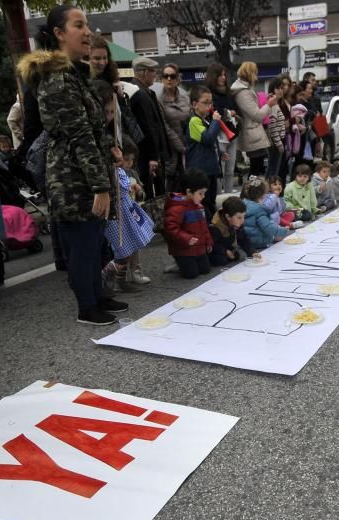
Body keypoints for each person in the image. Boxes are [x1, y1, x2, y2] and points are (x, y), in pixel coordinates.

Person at [17, 6, 127, 326]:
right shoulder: (58, 79)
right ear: (60, 34)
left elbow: (93, 129)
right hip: (72, 178)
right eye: (79, 25)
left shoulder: (73, 74)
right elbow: (78, 136)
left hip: (82, 173)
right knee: (82, 243)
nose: (87, 31)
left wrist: (110, 149)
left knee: (94, 240)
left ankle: (98, 295)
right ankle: (87, 306)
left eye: (87, 24)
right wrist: (100, 186)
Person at [102, 137, 154, 293]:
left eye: (131, 159)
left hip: (126, 212)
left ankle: (120, 280)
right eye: (126, 159)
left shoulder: (123, 172)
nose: (129, 162)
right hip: (116, 215)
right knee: (122, 249)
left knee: (129, 247)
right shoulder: (112, 172)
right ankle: (106, 274)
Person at [129, 56, 171, 199]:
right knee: (153, 195)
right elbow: (148, 126)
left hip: (152, 154)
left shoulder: (146, 92)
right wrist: (153, 156)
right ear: (145, 72)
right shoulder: (139, 94)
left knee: (159, 193)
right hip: (147, 156)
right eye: (153, 71)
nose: (155, 75)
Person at [164, 170, 213, 278]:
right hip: (183, 250)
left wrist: (208, 242)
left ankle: (185, 264)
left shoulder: (199, 206)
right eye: (200, 193)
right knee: (191, 275)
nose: (203, 196)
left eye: (204, 193)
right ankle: (179, 264)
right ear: (189, 192)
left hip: (198, 248)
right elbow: (170, 229)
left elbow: (204, 227)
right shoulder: (177, 208)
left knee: (205, 270)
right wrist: (187, 238)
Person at [231, 61, 277, 177]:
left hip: (253, 133)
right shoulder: (243, 93)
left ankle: (255, 192)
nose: (257, 76)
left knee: (258, 168)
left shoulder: (245, 89)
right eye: (255, 73)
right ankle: (252, 193)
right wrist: (269, 104)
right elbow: (257, 115)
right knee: (256, 169)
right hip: (252, 134)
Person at [184, 84, 222, 219]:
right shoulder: (194, 121)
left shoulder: (204, 120)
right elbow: (208, 138)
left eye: (210, 102)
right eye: (205, 103)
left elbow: (210, 143)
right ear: (194, 104)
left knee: (211, 200)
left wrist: (221, 153)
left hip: (209, 168)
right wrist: (216, 122)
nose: (209, 106)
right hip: (201, 170)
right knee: (204, 202)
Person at [154, 62, 189, 192]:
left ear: (177, 78)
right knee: (172, 185)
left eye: (172, 76)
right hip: (170, 148)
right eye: (165, 76)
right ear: (161, 78)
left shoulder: (185, 96)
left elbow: (191, 116)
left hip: (188, 142)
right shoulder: (158, 99)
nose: (169, 79)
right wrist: (180, 146)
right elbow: (164, 126)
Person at [206, 62, 240, 193]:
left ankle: (229, 195)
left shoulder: (228, 92)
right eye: (220, 75)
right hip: (219, 135)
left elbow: (235, 109)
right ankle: (219, 196)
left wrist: (229, 112)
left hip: (232, 134)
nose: (223, 77)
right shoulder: (210, 93)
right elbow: (217, 112)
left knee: (230, 170)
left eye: (224, 75)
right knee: (221, 169)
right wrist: (228, 113)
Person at [242, 178, 289, 250]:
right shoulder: (258, 210)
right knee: (280, 240)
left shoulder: (245, 204)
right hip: (259, 241)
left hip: (246, 241)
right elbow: (269, 227)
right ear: (262, 195)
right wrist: (284, 230)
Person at [209, 196, 255, 265]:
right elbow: (213, 245)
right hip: (215, 250)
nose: (242, 220)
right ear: (228, 217)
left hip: (228, 246)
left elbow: (244, 239)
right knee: (221, 259)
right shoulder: (215, 227)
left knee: (236, 255)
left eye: (243, 216)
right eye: (239, 217)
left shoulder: (236, 224)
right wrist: (225, 251)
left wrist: (253, 253)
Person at [265, 77, 289, 178]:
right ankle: (269, 192)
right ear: (272, 90)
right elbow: (272, 127)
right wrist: (279, 144)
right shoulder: (273, 104)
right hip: (275, 144)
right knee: (273, 172)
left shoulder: (276, 103)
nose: (281, 90)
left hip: (277, 142)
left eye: (282, 88)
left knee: (272, 170)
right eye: (278, 88)